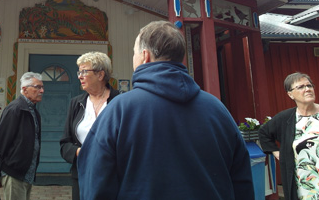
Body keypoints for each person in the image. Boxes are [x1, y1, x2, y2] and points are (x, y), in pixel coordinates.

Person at [78, 20, 254, 200]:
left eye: (134, 53)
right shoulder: (218, 110)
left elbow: (95, 184)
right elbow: (242, 181)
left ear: (144, 56)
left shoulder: (118, 111)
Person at [60, 51, 119, 200]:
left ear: (100, 75)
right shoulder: (76, 103)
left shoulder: (120, 101)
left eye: (84, 71)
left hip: (113, 175)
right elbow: (65, 144)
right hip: (82, 174)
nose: (79, 76)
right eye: (79, 72)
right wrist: (81, 152)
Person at [259, 72, 319, 200]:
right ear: (290, 94)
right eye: (301, 87)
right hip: (302, 188)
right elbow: (264, 133)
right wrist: (276, 152)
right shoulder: (285, 118)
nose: (307, 89)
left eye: (309, 85)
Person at [0, 72, 44, 200]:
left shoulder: (33, 111)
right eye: (37, 87)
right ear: (25, 89)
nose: (42, 91)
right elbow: (0, 142)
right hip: (14, 173)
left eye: (42, 87)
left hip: (27, 173)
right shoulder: (15, 109)